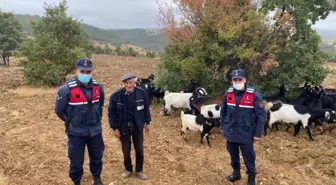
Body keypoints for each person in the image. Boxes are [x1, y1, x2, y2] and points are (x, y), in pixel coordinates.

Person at [55, 58, 105, 185]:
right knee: (76, 160)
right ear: (76, 71)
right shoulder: (65, 90)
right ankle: (76, 181)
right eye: (82, 71)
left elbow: (100, 105)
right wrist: (70, 121)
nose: (85, 74)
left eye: (88, 72)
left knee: (97, 156)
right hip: (76, 132)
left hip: (95, 131)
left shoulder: (98, 88)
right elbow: (59, 110)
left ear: (92, 73)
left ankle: (97, 179)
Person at [220, 68, 266, 185]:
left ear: (245, 80)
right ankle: (236, 173)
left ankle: (251, 179)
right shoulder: (228, 93)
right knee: (233, 155)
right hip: (231, 132)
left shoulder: (254, 95)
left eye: (239, 79)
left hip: (246, 133)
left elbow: (261, 115)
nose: (237, 82)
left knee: (249, 158)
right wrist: (223, 127)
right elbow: (223, 112)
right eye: (234, 80)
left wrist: (257, 133)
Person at [108, 73, 151, 180]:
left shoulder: (142, 93)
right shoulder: (116, 96)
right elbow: (111, 113)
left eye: (130, 82)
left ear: (134, 82)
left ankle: (139, 170)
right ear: (122, 83)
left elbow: (146, 109)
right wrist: (114, 128)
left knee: (139, 149)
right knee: (126, 150)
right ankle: (128, 169)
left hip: (138, 125)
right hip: (123, 127)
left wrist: (147, 123)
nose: (128, 85)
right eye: (126, 83)